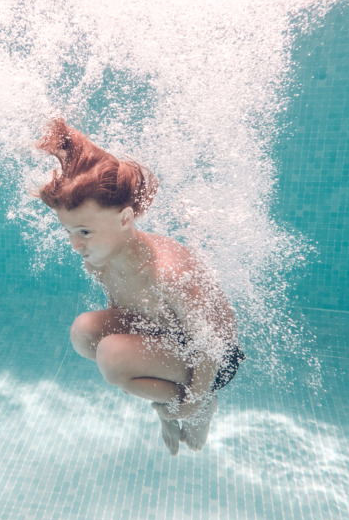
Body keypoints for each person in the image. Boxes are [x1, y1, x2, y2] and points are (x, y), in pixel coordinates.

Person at [34, 118, 244, 455]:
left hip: (214, 357)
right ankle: (176, 394)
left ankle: (204, 403)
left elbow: (210, 344)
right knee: (84, 332)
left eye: (84, 232)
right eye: (69, 232)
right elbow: (124, 310)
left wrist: (191, 405)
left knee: (113, 358)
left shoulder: (168, 273)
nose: (75, 244)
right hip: (166, 337)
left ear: (126, 220)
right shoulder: (100, 259)